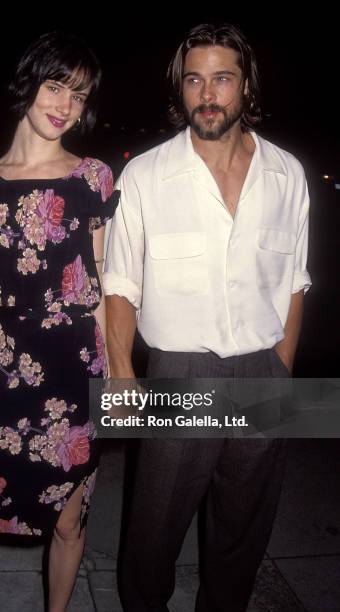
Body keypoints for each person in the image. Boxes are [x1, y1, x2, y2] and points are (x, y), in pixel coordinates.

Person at [104, 23, 311, 611]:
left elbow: (297, 281)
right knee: (151, 537)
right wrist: (123, 380)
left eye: (223, 78)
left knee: (241, 537)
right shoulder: (145, 174)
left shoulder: (286, 173)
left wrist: (281, 372)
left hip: (262, 371)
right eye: (195, 80)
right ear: (181, 88)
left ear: (246, 87)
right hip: (179, 373)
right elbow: (120, 286)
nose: (208, 94)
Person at [0, 31, 119, 612]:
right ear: (29, 83)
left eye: (79, 96)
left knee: (70, 519)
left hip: (75, 369)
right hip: (2, 369)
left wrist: (117, 377)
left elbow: (100, 290)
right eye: (55, 87)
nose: (65, 106)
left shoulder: (93, 178)